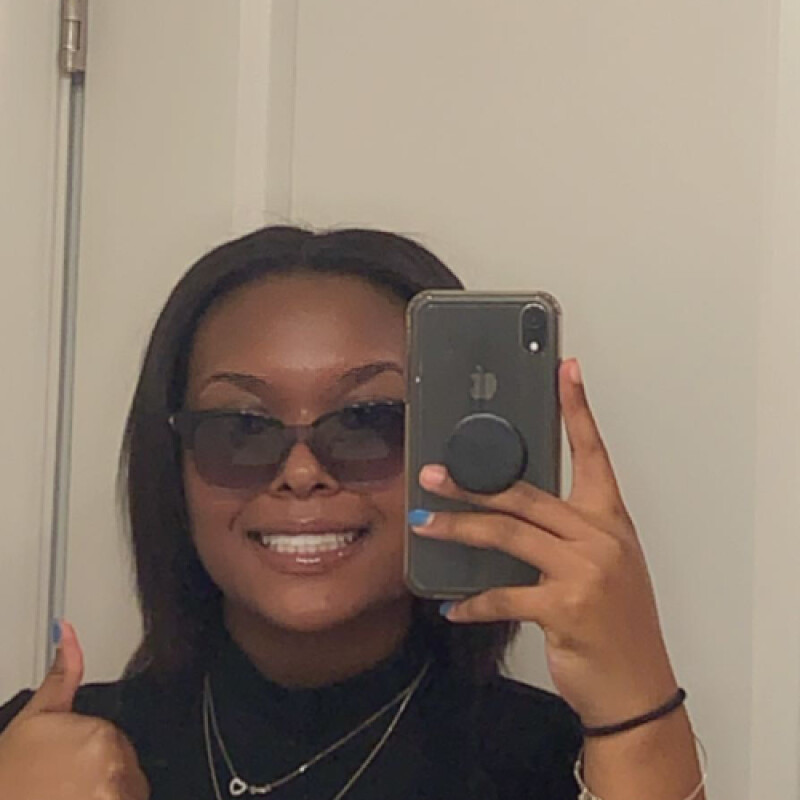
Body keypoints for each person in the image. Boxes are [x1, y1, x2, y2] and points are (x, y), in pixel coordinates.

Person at [0, 226, 706, 800]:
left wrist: (637, 704)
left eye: (368, 421)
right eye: (241, 428)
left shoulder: (558, 762)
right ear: (173, 468)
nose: (302, 472)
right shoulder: (45, 753)